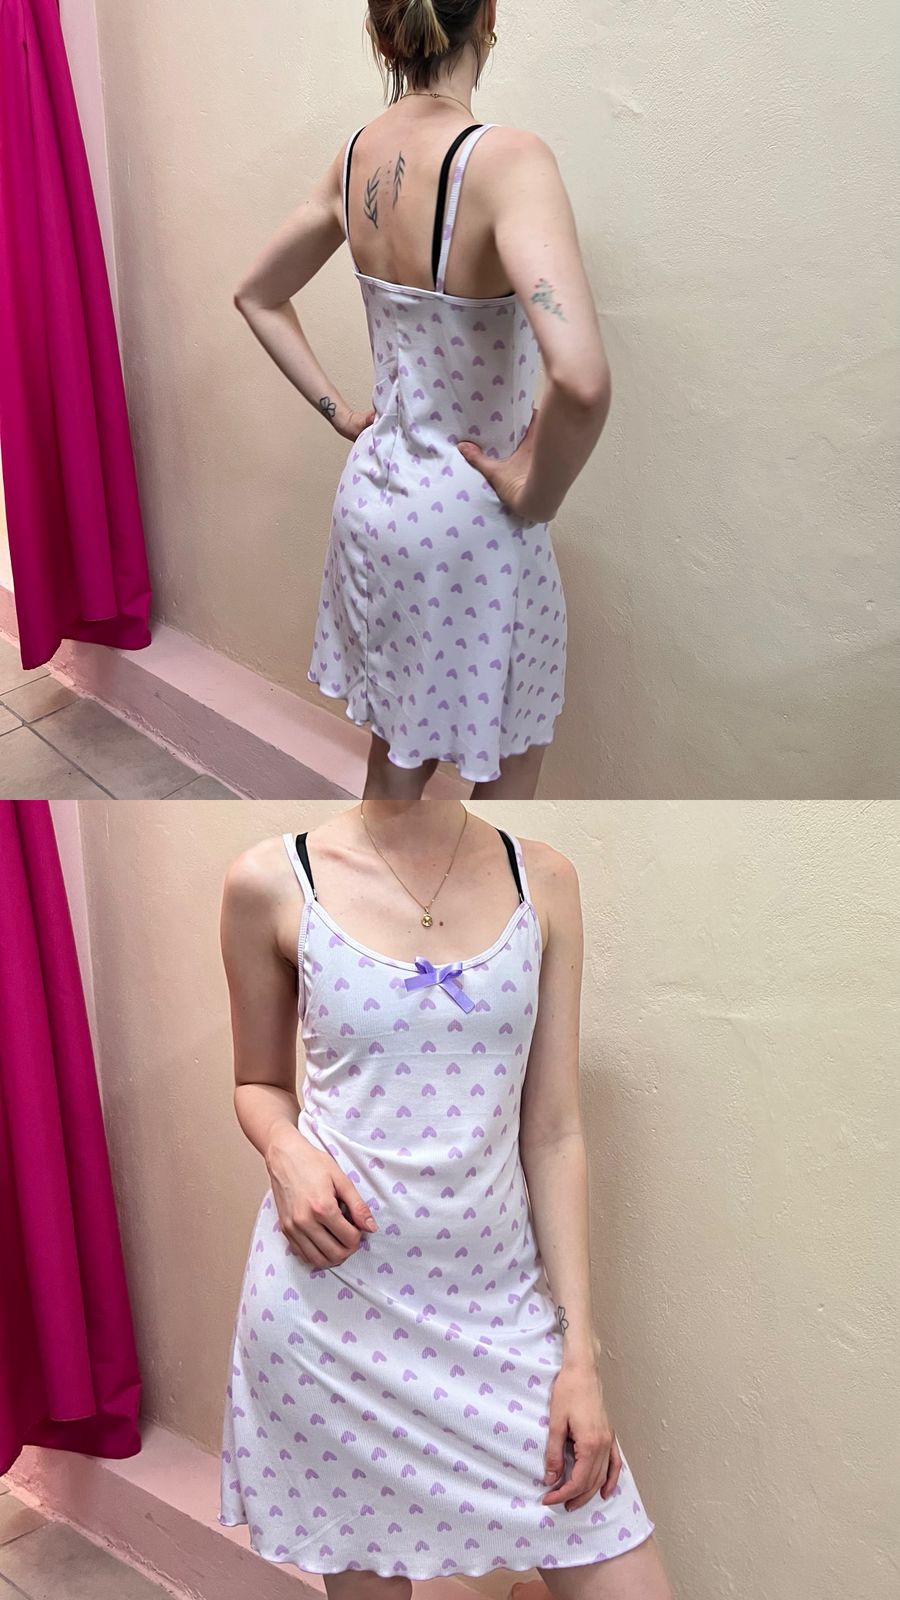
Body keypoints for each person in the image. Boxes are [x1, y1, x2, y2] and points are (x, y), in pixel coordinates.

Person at [218, 801, 673, 1599]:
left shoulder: (545, 881)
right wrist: (285, 1151)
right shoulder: (274, 879)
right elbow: (257, 1081)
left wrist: (578, 1358)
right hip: (334, 1319)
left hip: (497, 1315)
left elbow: (554, 1133)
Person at [234, 1, 611, 801]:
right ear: (489, 14)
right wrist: (533, 493)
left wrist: (342, 414)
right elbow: (580, 380)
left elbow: (257, 295)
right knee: (512, 757)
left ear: (382, 34)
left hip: (374, 505)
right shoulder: (508, 162)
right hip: (471, 527)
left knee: (397, 758)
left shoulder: (354, 158)